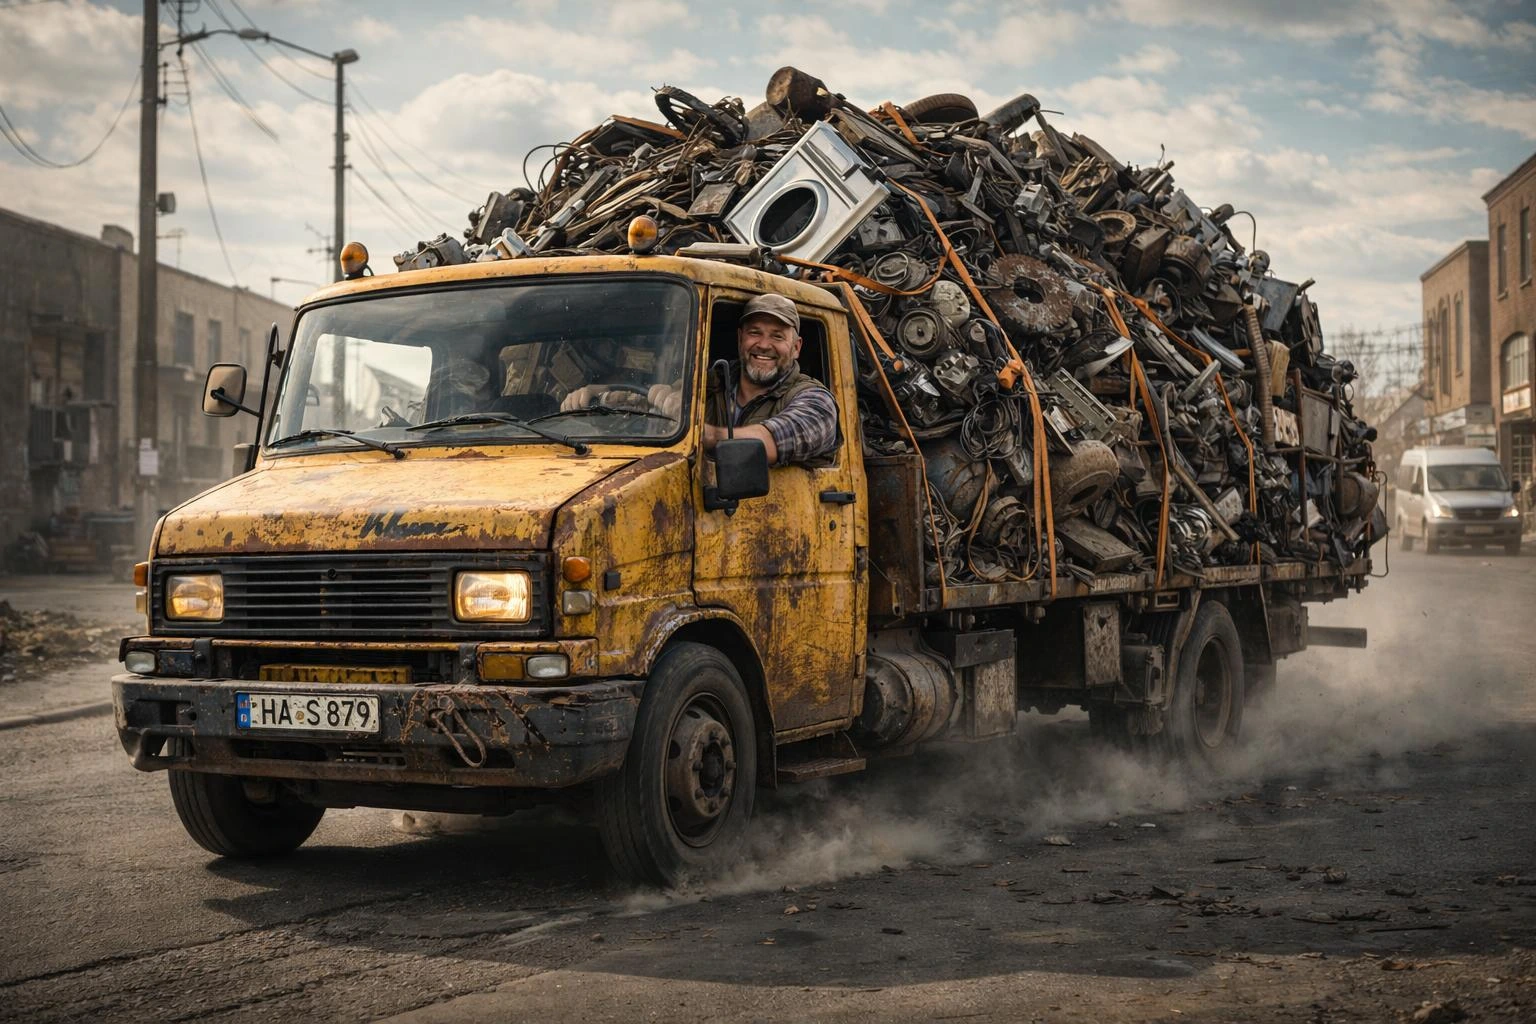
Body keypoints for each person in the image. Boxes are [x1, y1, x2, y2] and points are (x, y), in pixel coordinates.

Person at [703, 293, 839, 467]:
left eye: (777, 336)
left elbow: (771, 441)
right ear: (740, 339)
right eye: (755, 332)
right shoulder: (708, 384)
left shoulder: (817, 402)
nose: (764, 345)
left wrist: (706, 436)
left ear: (796, 348)